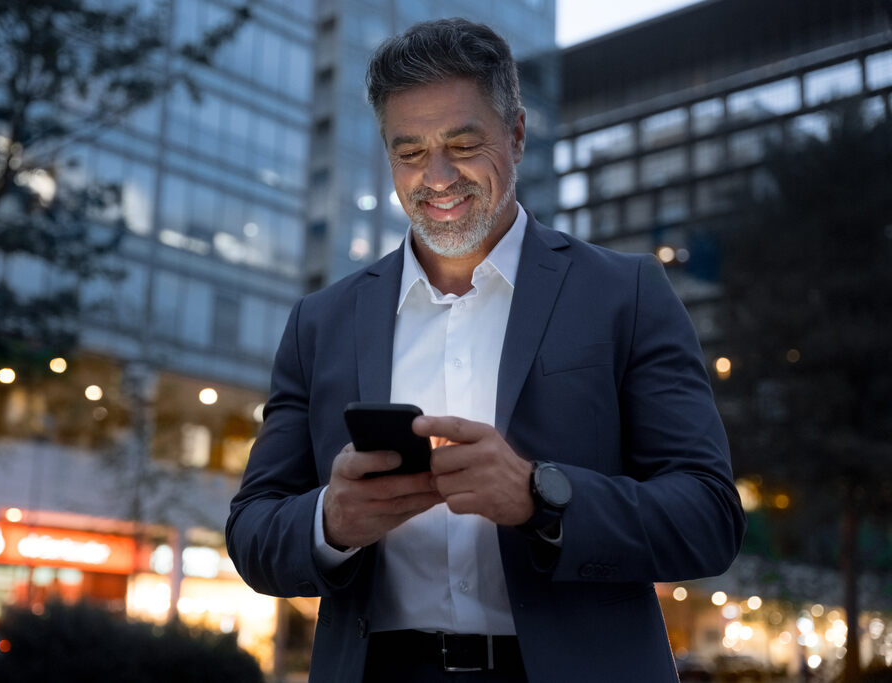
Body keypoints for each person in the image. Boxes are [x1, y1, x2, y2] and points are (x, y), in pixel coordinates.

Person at [226, 18, 745, 682]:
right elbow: (251, 530)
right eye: (409, 152)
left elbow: (708, 516)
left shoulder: (626, 293)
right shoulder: (320, 322)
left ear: (519, 135)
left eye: (464, 143)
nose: (436, 177)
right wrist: (329, 519)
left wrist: (539, 496)